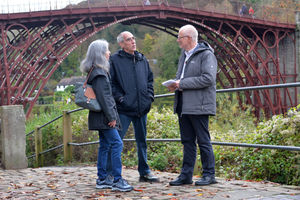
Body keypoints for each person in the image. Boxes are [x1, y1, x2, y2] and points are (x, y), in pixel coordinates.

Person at [80, 39, 133, 192]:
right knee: (117, 143)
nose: (109, 53)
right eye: (107, 51)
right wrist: (112, 118)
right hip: (105, 117)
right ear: (100, 54)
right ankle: (117, 179)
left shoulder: (94, 71)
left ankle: (102, 178)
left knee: (105, 145)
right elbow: (105, 98)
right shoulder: (100, 74)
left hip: (99, 117)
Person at [167, 24, 217, 186]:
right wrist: (175, 84)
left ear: (189, 38)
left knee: (203, 140)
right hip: (183, 103)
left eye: (180, 37)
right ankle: (186, 175)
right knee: (187, 141)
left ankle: (209, 175)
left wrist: (181, 83)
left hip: (199, 104)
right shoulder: (184, 54)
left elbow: (208, 79)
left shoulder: (206, 55)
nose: (178, 41)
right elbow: (182, 76)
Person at [109, 31, 159, 183]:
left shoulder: (142, 58)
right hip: (124, 109)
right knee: (117, 141)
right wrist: (121, 99)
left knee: (142, 141)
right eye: (128, 39)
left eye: (133, 38)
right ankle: (111, 174)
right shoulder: (114, 60)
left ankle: (144, 172)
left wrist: (149, 97)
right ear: (121, 44)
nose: (133, 41)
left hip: (141, 108)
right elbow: (111, 83)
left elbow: (150, 80)